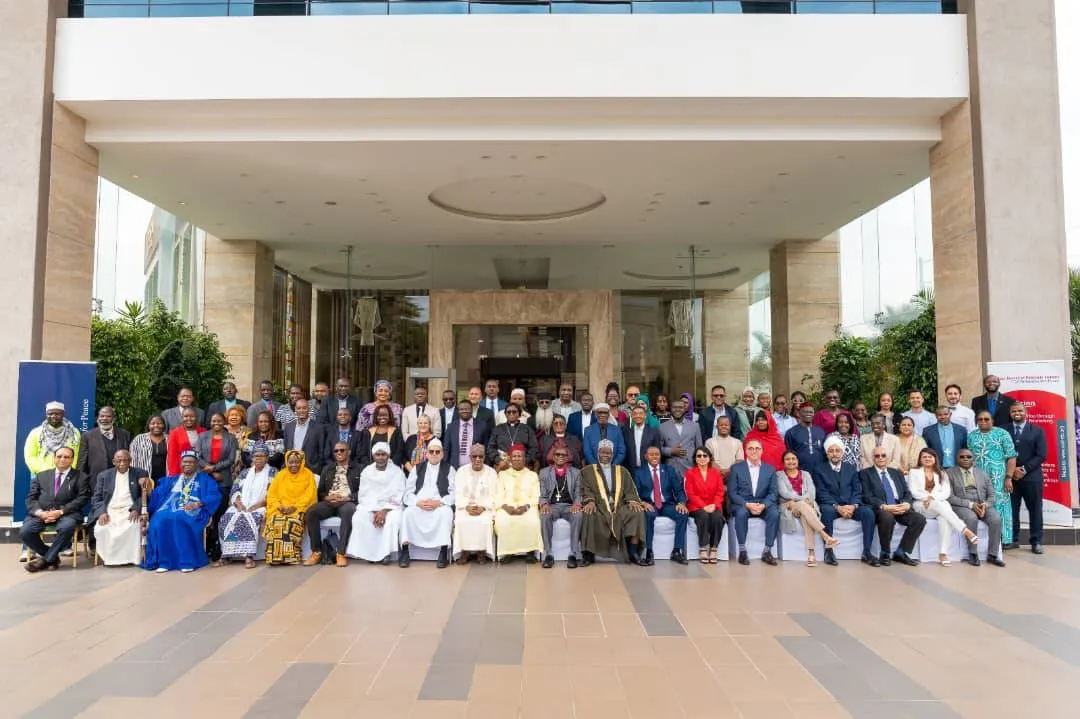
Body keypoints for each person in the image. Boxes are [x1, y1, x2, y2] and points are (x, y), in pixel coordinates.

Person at [142, 450, 221, 573]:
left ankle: (186, 561)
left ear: (196, 464)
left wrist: (197, 503)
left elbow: (214, 495)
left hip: (195, 510)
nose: (187, 465)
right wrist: (148, 491)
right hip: (169, 508)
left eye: (191, 462)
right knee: (159, 519)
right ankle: (164, 562)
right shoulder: (171, 480)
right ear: (181, 464)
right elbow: (157, 496)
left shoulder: (205, 480)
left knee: (179, 518)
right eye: (185, 462)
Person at [21, 446, 90, 573]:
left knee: (67, 527)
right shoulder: (42, 476)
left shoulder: (81, 477)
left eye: (66, 457)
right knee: (26, 531)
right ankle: (51, 557)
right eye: (59, 456)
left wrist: (61, 512)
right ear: (54, 458)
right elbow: (31, 498)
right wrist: (40, 513)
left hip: (67, 514)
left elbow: (82, 498)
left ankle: (44, 560)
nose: (62, 459)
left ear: (72, 459)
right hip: (43, 514)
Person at [579, 439, 646, 565]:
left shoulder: (622, 471)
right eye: (603, 452)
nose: (605, 455)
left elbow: (630, 489)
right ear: (598, 453)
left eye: (608, 452)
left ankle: (633, 552)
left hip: (619, 506)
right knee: (589, 513)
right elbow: (585, 489)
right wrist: (590, 501)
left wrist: (632, 500)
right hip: (598, 506)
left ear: (613, 454)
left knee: (637, 512)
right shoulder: (587, 471)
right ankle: (588, 554)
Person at [908, 448, 979, 566]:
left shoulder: (942, 473)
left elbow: (946, 493)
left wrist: (932, 497)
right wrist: (927, 498)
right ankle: (965, 530)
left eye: (930, 457)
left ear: (935, 459)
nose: (927, 459)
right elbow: (913, 491)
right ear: (920, 459)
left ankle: (943, 554)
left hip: (938, 506)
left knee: (944, 517)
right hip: (921, 505)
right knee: (941, 505)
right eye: (924, 457)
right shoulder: (914, 472)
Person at [813, 436, 876, 567]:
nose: (834, 453)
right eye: (831, 451)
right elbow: (821, 492)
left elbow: (857, 489)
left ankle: (867, 552)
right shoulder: (819, 469)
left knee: (868, 513)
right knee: (827, 511)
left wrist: (853, 506)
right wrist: (837, 507)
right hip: (832, 506)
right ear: (827, 453)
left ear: (842, 452)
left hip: (850, 505)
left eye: (837, 450)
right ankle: (829, 551)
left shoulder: (851, 468)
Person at [859, 446, 925, 567]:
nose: (880, 458)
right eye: (877, 456)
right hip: (882, 508)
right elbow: (866, 496)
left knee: (919, 519)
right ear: (872, 458)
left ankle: (900, 552)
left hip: (899, 506)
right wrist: (883, 506)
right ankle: (885, 552)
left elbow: (907, 492)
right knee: (887, 518)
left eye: (883, 455)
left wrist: (906, 503)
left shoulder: (896, 473)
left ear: (888, 457)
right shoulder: (865, 473)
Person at [303, 441, 362, 568]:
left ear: (349, 452)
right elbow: (321, 492)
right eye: (336, 451)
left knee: (348, 512)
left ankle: (341, 553)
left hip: (347, 502)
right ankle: (316, 551)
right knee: (311, 513)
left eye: (342, 450)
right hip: (330, 502)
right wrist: (328, 497)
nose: (339, 453)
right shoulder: (328, 469)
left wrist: (347, 498)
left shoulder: (358, 469)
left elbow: (363, 490)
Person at [399, 438, 456, 568]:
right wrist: (417, 502)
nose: (434, 454)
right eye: (431, 451)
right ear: (427, 453)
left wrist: (440, 502)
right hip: (420, 503)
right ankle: (405, 551)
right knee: (407, 513)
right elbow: (408, 492)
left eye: (437, 452)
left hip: (439, 505)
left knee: (446, 513)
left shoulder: (449, 469)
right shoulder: (417, 468)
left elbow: (454, 493)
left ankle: (442, 551)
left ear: (442, 453)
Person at [345, 443, 406, 563]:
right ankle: (369, 552)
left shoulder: (397, 472)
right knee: (359, 517)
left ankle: (386, 553)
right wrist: (376, 510)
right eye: (377, 454)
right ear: (373, 456)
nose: (380, 457)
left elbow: (399, 495)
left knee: (393, 519)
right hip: (371, 506)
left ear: (388, 455)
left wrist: (384, 511)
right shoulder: (367, 472)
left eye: (383, 454)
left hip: (391, 507)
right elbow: (363, 495)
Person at [776, 450, 838, 567]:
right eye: (788, 459)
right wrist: (802, 499)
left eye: (793, 458)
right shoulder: (779, 475)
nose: (791, 461)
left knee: (805, 513)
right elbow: (784, 493)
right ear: (783, 462)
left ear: (798, 461)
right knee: (803, 505)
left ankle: (811, 553)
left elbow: (812, 493)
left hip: (807, 505)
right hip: (789, 506)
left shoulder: (806, 474)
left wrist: (802, 500)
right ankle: (825, 535)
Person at [967, 410, 1019, 549]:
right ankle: (986, 539)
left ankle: (1004, 540)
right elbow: (969, 458)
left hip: (998, 477)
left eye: (986, 419)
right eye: (980, 419)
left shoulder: (1002, 434)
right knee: (981, 505)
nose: (983, 422)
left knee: (1000, 506)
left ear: (992, 420)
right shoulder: (972, 436)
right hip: (978, 477)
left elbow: (1011, 457)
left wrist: (1008, 477)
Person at [946, 448, 1005, 567]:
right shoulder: (949, 473)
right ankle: (973, 553)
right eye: (962, 457)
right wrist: (970, 505)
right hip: (961, 505)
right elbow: (949, 497)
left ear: (974, 459)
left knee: (996, 519)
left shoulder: (982, 473)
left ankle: (992, 555)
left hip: (982, 504)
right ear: (956, 459)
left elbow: (992, 495)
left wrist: (986, 505)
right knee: (971, 518)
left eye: (968, 457)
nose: (965, 459)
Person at [89, 449, 149, 567]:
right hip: (110, 510)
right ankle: (110, 559)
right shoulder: (104, 475)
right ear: (113, 462)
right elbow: (97, 497)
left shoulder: (140, 473)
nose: (122, 463)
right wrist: (102, 512)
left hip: (129, 510)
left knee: (134, 525)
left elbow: (145, 495)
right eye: (119, 460)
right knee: (102, 528)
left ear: (130, 461)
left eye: (125, 460)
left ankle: (131, 558)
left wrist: (136, 509)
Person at [218, 445, 275, 569]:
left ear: (267, 458)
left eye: (261, 456)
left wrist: (258, 505)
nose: (258, 459)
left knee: (249, 519)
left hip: (262, 505)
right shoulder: (245, 473)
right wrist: (239, 503)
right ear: (252, 458)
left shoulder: (273, 472)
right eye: (255, 456)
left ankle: (249, 556)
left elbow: (273, 493)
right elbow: (235, 489)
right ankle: (226, 555)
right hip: (242, 505)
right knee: (225, 519)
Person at [194, 412, 238, 565]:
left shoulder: (231, 439)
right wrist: (209, 469)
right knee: (205, 513)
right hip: (205, 479)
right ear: (210, 422)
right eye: (213, 421)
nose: (216, 423)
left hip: (223, 480)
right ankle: (204, 549)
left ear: (224, 422)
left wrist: (214, 468)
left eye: (219, 420)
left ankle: (218, 549)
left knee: (219, 515)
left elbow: (231, 459)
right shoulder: (202, 437)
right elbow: (197, 456)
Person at [634, 446, 689, 565]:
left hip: (667, 504)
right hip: (649, 504)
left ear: (660, 456)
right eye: (651, 454)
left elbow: (679, 491)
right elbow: (634, 494)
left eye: (657, 454)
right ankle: (648, 551)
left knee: (682, 513)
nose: (654, 456)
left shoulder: (669, 470)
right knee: (649, 515)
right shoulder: (639, 473)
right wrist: (642, 503)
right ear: (646, 457)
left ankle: (677, 551)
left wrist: (682, 503)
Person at [728, 441, 779, 566]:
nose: (754, 451)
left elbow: (773, 493)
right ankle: (742, 551)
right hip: (743, 504)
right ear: (746, 451)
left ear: (762, 451)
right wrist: (746, 504)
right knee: (741, 513)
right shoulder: (736, 468)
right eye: (751, 448)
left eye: (757, 448)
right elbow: (732, 492)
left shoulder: (770, 469)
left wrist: (764, 505)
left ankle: (767, 551)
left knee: (774, 513)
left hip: (763, 503)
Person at [263, 449, 318, 566]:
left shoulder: (308, 474)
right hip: (280, 509)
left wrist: (295, 507)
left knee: (291, 523)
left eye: (297, 462)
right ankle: (274, 557)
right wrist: (280, 507)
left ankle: (291, 557)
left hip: (299, 509)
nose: (294, 465)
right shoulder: (281, 475)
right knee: (275, 522)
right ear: (287, 462)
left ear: (301, 462)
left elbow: (310, 495)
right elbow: (272, 494)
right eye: (291, 462)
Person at [1008, 401, 1048, 554]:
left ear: (1026, 413)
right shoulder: (1004, 430)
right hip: (1010, 478)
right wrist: (1011, 471)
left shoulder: (1037, 431)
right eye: (1013, 411)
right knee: (1011, 509)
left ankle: (1036, 541)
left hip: (1032, 478)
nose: (1017, 414)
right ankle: (1013, 539)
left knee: (1035, 510)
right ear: (1010, 413)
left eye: (1020, 411)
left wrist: (1023, 469)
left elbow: (1041, 455)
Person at [493, 445, 543, 563]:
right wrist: (505, 507)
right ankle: (508, 552)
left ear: (524, 459)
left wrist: (525, 507)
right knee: (504, 521)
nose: (517, 459)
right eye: (514, 456)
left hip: (527, 506)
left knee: (532, 520)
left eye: (519, 456)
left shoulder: (532, 475)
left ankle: (530, 552)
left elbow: (536, 495)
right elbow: (498, 494)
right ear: (510, 459)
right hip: (506, 506)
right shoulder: (502, 475)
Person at [539, 444, 583, 568]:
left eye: (563, 455)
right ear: (553, 456)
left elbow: (578, 492)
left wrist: (577, 504)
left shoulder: (576, 472)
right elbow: (542, 493)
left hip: (569, 506)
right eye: (557, 454)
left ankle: (573, 554)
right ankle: (549, 554)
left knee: (578, 515)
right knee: (544, 515)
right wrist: (544, 504)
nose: (560, 457)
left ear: (567, 457)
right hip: (552, 506)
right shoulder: (544, 472)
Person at [454, 444, 497, 564]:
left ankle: (482, 552)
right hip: (465, 507)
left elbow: (494, 495)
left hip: (484, 508)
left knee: (485, 521)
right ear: (470, 457)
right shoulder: (461, 471)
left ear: (484, 457)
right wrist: (467, 506)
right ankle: (464, 552)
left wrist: (483, 507)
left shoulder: (491, 472)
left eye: (481, 456)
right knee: (461, 521)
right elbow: (458, 493)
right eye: (474, 456)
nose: (477, 459)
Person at [684, 446, 725, 563]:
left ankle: (713, 548)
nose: (702, 458)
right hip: (696, 506)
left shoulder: (716, 473)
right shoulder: (690, 473)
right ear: (695, 459)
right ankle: (702, 547)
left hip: (713, 505)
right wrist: (703, 506)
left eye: (705, 455)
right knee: (704, 516)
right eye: (699, 456)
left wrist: (715, 504)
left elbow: (720, 492)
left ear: (709, 458)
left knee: (717, 517)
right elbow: (690, 494)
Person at [24, 401, 82, 479]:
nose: (53, 416)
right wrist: (47, 472)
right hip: (41, 476)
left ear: (63, 414)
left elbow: (76, 454)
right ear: (46, 414)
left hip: (66, 476)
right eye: (50, 414)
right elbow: (30, 457)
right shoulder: (36, 433)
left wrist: (68, 471)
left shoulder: (74, 433)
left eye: (57, 414)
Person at [78, 406, 131, 480]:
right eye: (102, 416)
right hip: (95, 481)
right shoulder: (87, 436)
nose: (104, 418)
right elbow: (82, 463)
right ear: (97, 418)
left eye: (108, 416)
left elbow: (130, 459)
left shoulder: (125, 435)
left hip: (121, 479)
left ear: (114, 418)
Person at [284, 398, 329, 475]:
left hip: (311, 470)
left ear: (309, 409)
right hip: (291, 470)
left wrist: (317, 470)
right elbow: (286, 449)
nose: (301, 410)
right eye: (299, 408)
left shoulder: (319, 428)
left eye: (304, 408)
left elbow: (321, 452)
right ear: (295, 409)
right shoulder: (288, 427)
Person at [444, 399, 492, 469]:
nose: (464, 411)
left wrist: (486, 466)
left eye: (467, 409)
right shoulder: (451, 426)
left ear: (472, 410)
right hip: (455, 468)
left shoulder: (482, 425)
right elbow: (446, 449)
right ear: (458, 411)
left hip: (476, 468)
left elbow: (487, 448)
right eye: (461, 409)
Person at [659, 397, 702, 476]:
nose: (677, 409)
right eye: (674, 407)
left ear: (685, 409)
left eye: (680, 407)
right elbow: (658, 448)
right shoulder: (662, 427)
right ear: (670, 409)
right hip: (670, 470)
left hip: (690, 469)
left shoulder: (695, 426)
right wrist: (671, 451)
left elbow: (699, 449)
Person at [923, 405, 968, 470]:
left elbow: (964, 448)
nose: (943, 417)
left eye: (945, 414)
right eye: (940, 415)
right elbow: (926, 450)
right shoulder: (927, 431)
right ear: (936, 416)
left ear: (950, 414)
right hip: (936, 467)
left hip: (957, 467)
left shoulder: (961, 430)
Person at [785, 403, 826, 473]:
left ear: (814, 414)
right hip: (800, 471)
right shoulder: (791, 432)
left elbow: (824, 452)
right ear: (799, 414)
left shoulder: (820, 431)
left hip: (820, 471)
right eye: (805, 412)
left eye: (811, 412)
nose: (808, 414)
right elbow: (789, 453)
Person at [166, 407, 206, 476]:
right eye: (186, 416)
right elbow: (172, 456)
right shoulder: (174, 433)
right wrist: (174, 476)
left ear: (196, 417)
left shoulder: (203, 431)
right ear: (182, 418)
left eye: (192, 416)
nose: (189, 419)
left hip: (201, 470)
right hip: (182, 470)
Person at [130, 415, 169, 484]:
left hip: (165, 478)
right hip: (144, 479)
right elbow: (133, 460)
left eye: (159, 423)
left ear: (163, 425)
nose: (156, 425)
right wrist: (135, 478)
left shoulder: (170, 439)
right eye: (153, 423)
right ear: (148, 425)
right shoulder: (139, 439)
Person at [623, 405, 661, 472]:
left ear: (645, 416)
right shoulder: (626, 432)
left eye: (640, 413)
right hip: (631, 470)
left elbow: (658, 451)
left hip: (649, 470)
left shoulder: (653, 432)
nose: (638, 416)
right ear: (632, 416)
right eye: (635, 414)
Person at [705, 415, 743, 480]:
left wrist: (728, 471)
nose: (724, 427)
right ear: (717, 426)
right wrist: (720, 471)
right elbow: (709, 460)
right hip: (715, 477)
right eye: (721, 425)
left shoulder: (737, 442)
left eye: (726, 425)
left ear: (730, 426)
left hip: (733, 476)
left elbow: (740, 460)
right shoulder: (709, 442)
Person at [224, 406, 249, 477]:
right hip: (224, 466)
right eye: (231, 415)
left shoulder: (247, 431)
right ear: (227, 417)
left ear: (242, 417)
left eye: (237, 415)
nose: (234, 417)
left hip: (241, 467)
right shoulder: (222, 430)